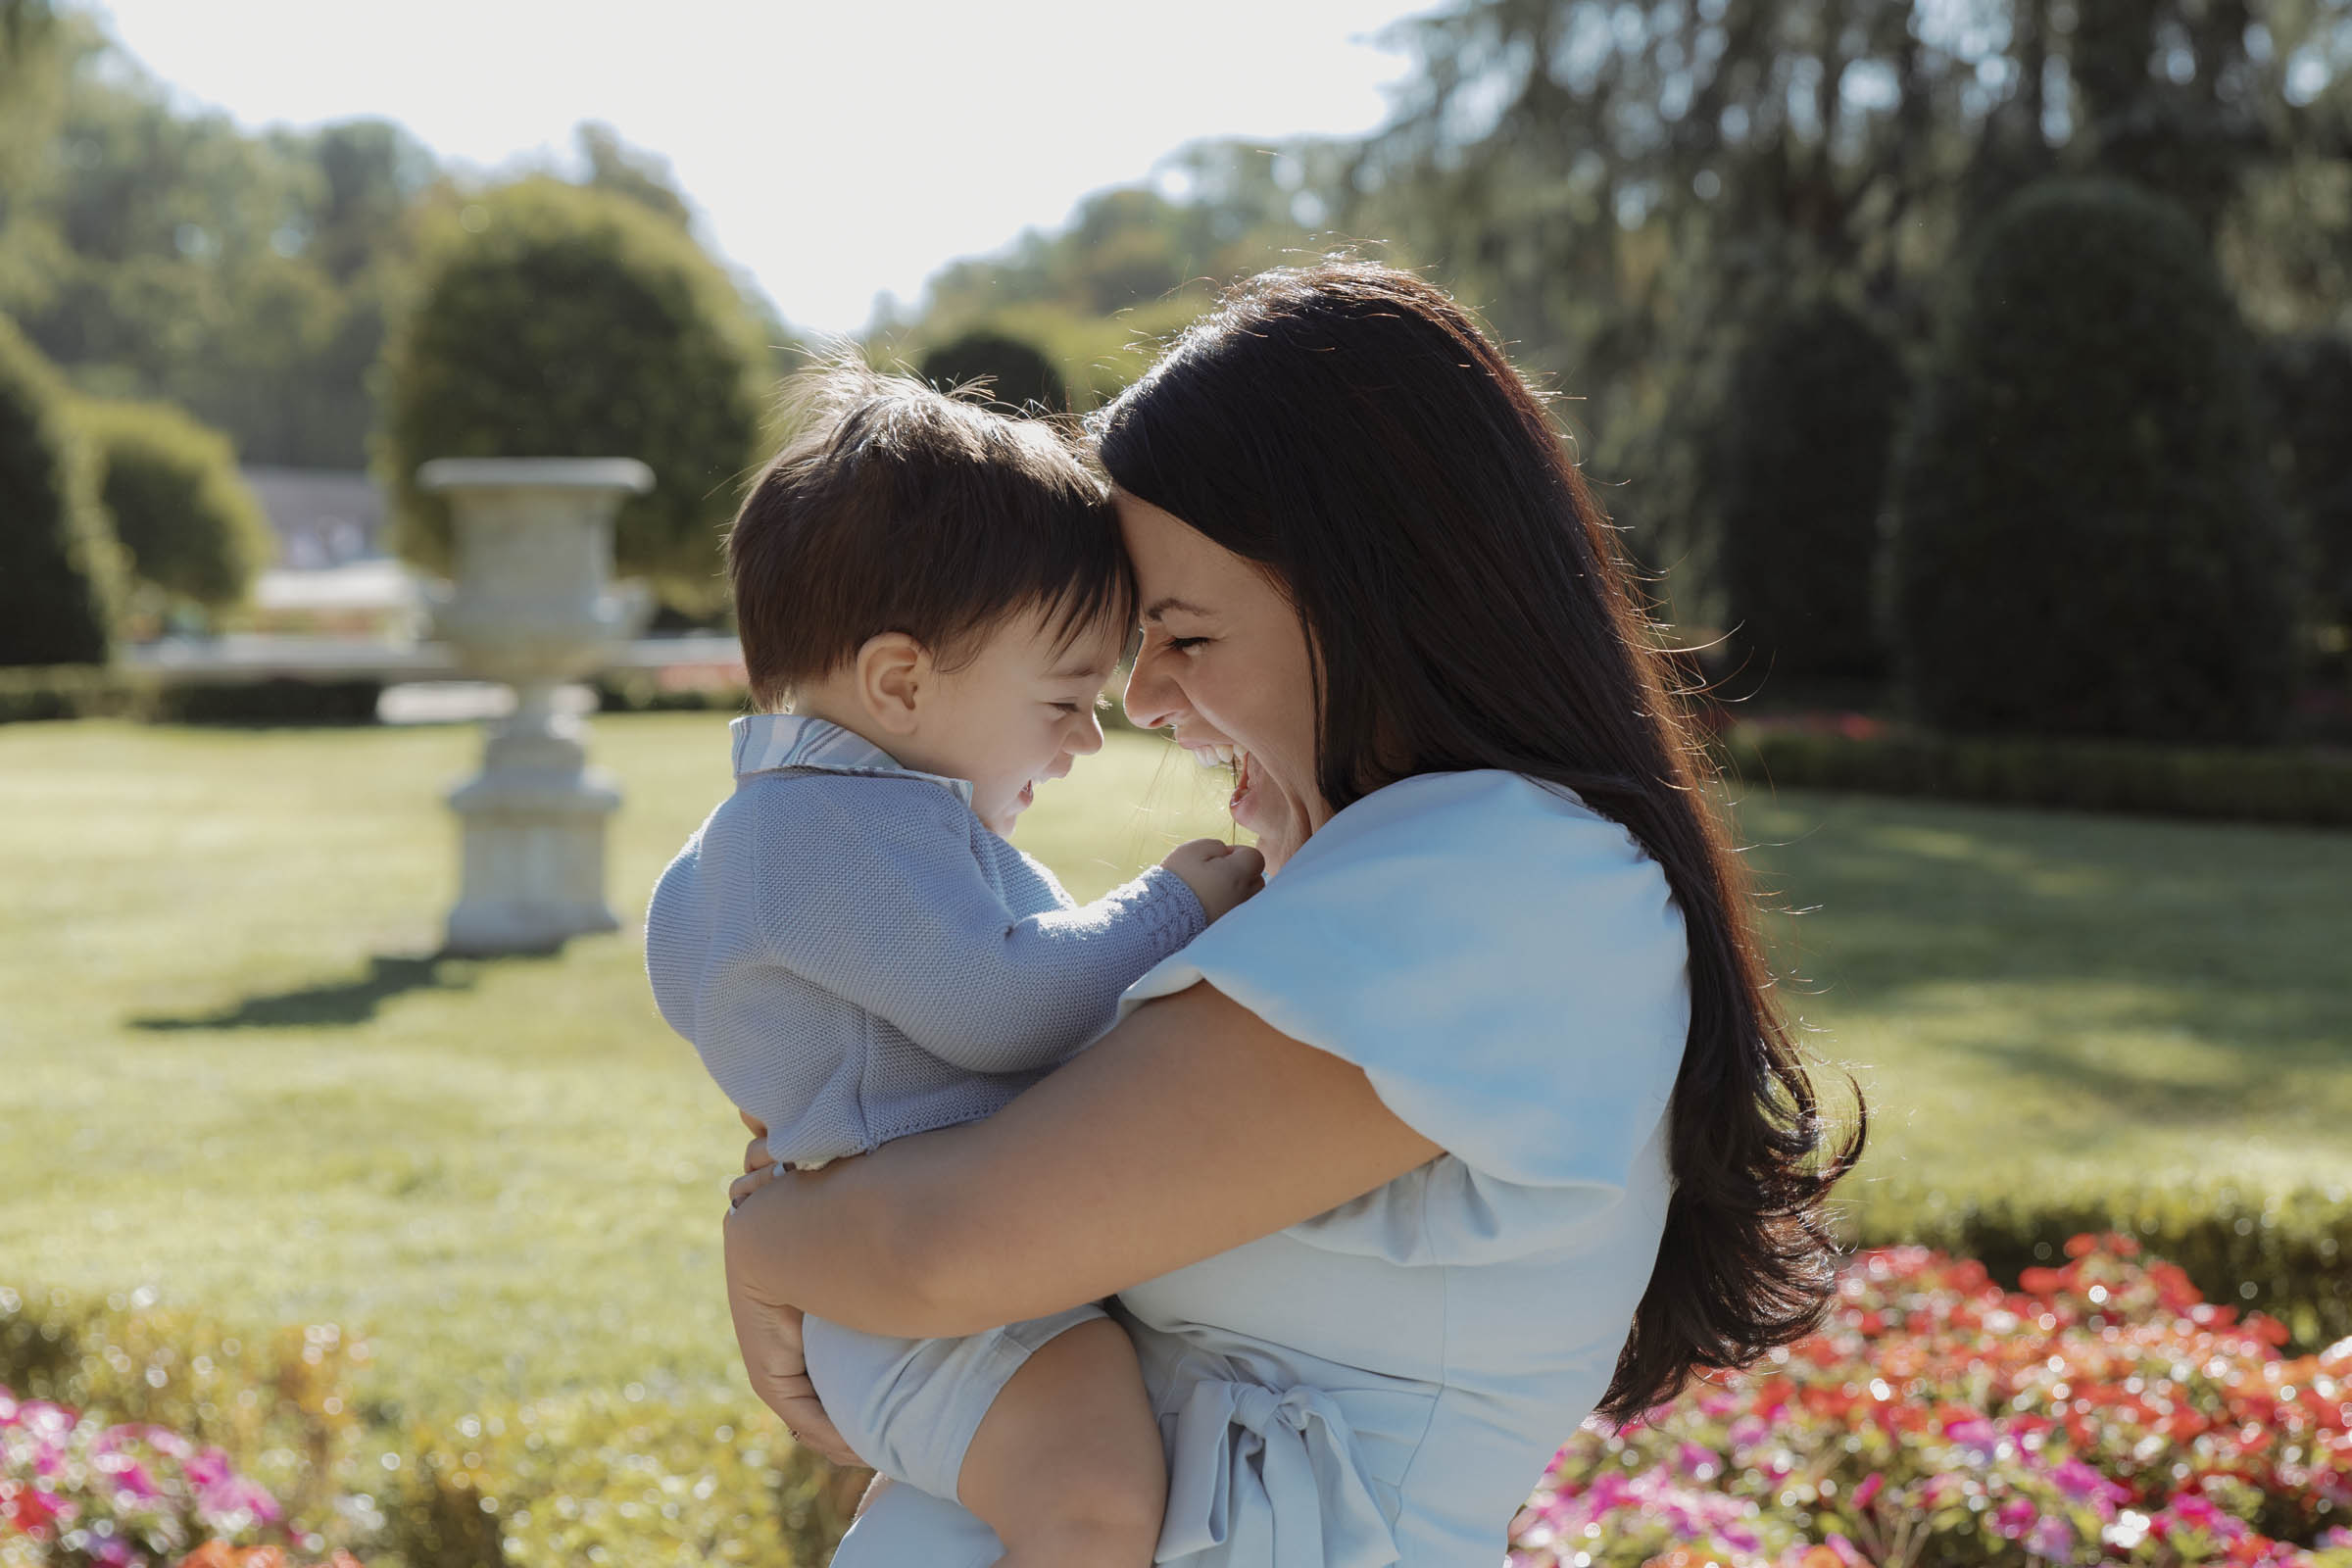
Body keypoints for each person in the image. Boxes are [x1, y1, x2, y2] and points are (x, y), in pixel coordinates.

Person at [721, 263, 1864, 1568]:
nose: (1143, 699)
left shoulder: (1498, 885)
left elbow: (942, 1246)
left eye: (1187, 637)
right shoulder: (1422, 880)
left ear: (1382, 601)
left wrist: (768, 1242)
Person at [647, 369, 1266, 1568]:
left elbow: (690, 974)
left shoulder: (774, 828)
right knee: (1089, 1495)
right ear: (899, 682)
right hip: (938, 1284)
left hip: (905, 1282)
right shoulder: (839, 829)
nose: (1090, 737)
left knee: (964, 1519)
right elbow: (1006, 1003)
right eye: (1062, 699)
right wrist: (1173, 904)